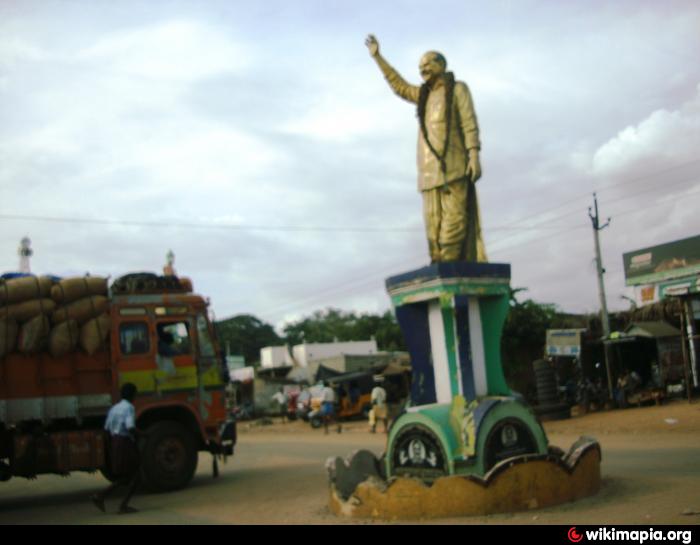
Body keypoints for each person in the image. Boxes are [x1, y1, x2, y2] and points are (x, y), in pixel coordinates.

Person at [366, 35, 486, 263]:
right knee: (433, 230)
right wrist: (377, 57)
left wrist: (474, 155)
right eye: (420, 66)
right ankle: (439, 269)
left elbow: (469, 123)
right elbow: (399, 86)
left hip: (455, 168)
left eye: (428, 63)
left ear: (442, 65)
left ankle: (450, 274)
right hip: (428, 173)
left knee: (454, 225)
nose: (422, 68)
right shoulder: (423, 96)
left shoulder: (458, 90)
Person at [92, 383, 142, 515]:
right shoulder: (129, 407)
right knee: (136, 475)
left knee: (125, 476)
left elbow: (107, 429)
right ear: (133, 395)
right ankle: (121, 505)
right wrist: (143, 434)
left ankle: (102, 497)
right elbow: (130, 427)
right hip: (125, 443)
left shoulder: (114, 408)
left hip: (115, 442)